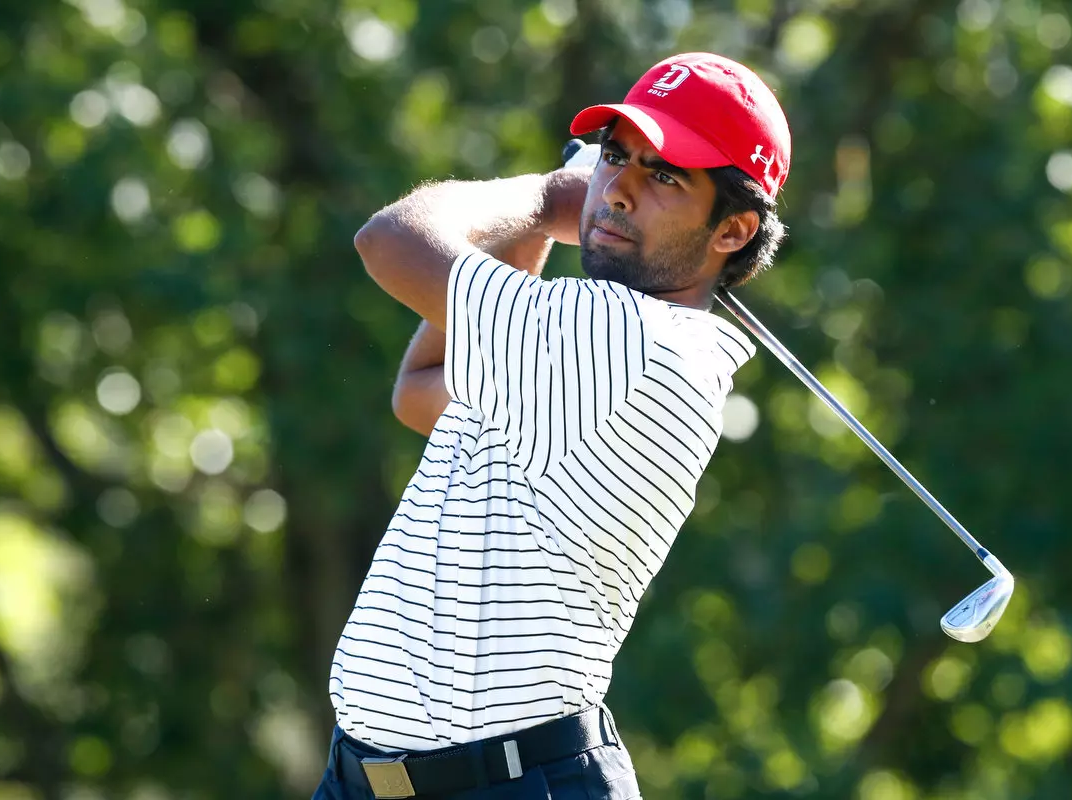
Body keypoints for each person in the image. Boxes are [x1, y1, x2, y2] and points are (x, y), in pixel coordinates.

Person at [314, 52, 792, 799]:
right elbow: (419, 393)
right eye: (614, 157)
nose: (620, 190)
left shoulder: (629, 339)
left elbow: (390, 238)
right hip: (376, 781)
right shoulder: (579, 351)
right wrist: (551, 221)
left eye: (663, 174)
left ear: (732, 229)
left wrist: (545, 196)